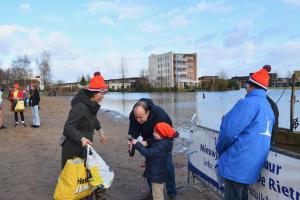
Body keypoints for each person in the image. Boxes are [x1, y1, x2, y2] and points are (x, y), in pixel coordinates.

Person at [216, 65, 275, 200]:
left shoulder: (247, 103)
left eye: (246, 85)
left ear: (250, 86)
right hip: (252, 166)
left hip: (236, 164)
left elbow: (228, 133)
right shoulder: (268, 108)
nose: (245, 89)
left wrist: (219, 149)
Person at [61, 71, 108, 200]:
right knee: (73, 182)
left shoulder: (91, 105)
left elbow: (93, 119)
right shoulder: (80, 107)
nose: (102, 96)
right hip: (72, 149)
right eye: (101, 93)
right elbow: (68, 127)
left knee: (86, 179)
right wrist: (81, 138)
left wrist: (101, 131)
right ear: (94, 93)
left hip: (84, 147)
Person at [128, 99, 177, 200]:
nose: (138, 120)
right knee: (150, 168)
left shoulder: (160, 115)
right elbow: (133, 129)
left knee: (167, 167)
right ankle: (153, 191)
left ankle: (172, 193)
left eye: (140, 117)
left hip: (162, 143)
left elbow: (168, 134)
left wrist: (147, 142)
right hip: (147, 140)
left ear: (148, 112)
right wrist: (132, 142)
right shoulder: (134, 115)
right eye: (136, 117)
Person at [132, 122, 176, 200]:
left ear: (162, 134)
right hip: (158, 171)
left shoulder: (160, 146)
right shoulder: (163, 143)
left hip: (157, 175)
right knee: (158, 192)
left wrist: (137, 144)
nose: (153, 133)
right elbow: (154, 156)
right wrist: (147, 163)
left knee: (157, 195)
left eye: (155, 132)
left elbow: (148, 153)